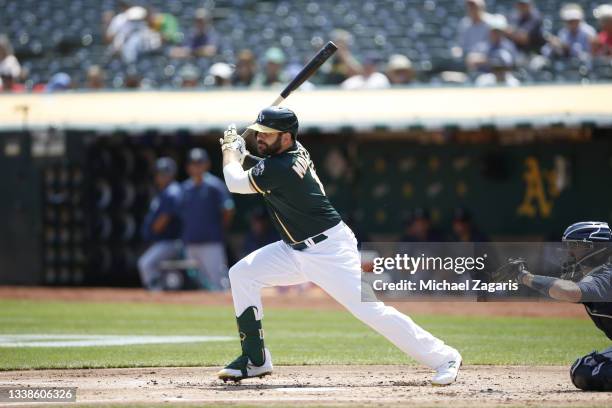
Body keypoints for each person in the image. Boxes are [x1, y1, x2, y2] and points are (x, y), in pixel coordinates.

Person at [216, 107, 462, 384]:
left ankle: (444, 356)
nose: (260, 138)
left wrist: (230, 150)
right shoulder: (286, 156)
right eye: (258, 133)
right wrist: (241, 153)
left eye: (267, 134)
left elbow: (236, 182)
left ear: (286, 138)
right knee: (242, 274)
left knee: (369, 310)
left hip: (328, 251)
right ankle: (254, 359)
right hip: (293, 248)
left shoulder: (281, 166)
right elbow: (260, 166)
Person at [513, 222, 612, 391]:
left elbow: (570, 292)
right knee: (583, 369)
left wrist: (524, 277)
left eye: (575, 246)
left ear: (597, 248)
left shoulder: (605, 275)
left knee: (587, 371)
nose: (569, 252)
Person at [180, 148, 234, 290]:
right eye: (193, 163)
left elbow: (228, 210)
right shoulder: (185, 188)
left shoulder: (215, 185)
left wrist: (220, 228)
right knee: (195, 283)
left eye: (199, 162)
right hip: (191, 242)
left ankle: (225, 309)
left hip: (211, 242)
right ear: (188, 167)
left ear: (206, 164)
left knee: (217, 282)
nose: (196, 166)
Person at [138, 158, 182, 291]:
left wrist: (152, 232)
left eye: (164, 173)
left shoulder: (172, 192)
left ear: (171, 174)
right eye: (159, 173)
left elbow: (164, 218)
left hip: (171, 241)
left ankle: (156, 292)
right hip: (163, 241)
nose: (160, 176)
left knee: (145, 263)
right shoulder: (164, 191)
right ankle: (158, 290)